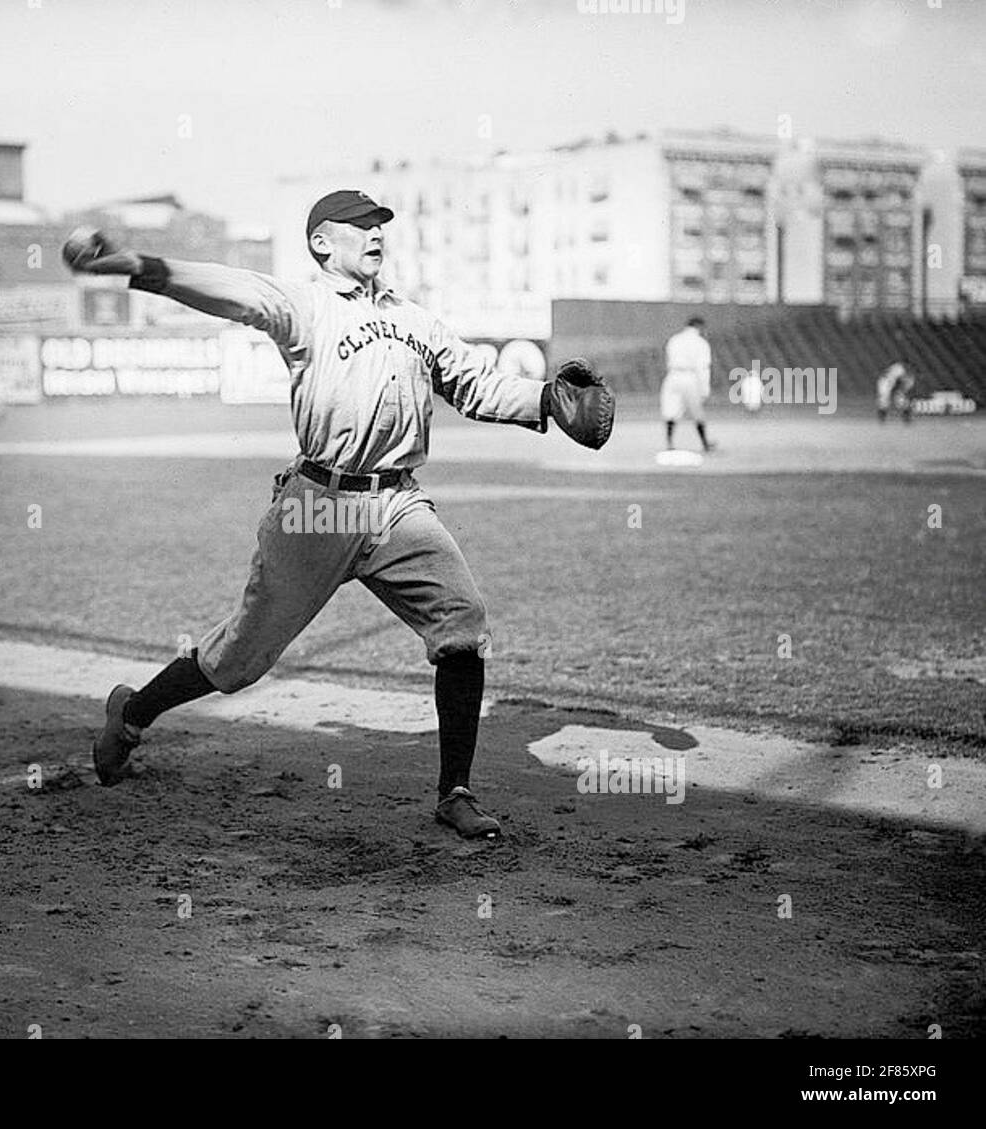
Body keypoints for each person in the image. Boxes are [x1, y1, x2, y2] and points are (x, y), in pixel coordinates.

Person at [63, 189, 596, 839]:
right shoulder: (305, 305)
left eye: (381, 226)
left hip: (398, 502)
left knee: (462, 621)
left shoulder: (417, 320)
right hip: (320, 505)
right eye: (362, 225)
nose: (377, 233)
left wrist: (544, 399)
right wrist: (135, 265)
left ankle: (455, 791)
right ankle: (132, 713)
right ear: (322, 242)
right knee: (239, 658)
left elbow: (478, 385)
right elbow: (229, 288)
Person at [661, 316, 714, 452]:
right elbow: (703, 367)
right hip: (690, 376)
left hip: (673, 375)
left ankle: (669, 443)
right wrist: (705, 389)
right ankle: (705, 443)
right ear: (699, 326)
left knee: (670, 409)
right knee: (697, 411)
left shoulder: (675, 339)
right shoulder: (701, 342)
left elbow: (668, 359)